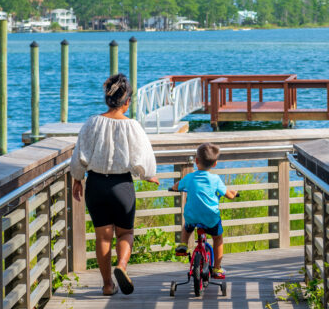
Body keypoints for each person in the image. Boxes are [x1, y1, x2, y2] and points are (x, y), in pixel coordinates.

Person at [70, 73, 158, 296]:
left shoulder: (92, 122)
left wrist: (77, 178)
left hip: (96, 184)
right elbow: (143, 157)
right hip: (122, 186)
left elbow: (80, 154)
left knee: (103, 236)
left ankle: (108, 284)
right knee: (125, 233)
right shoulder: (133, 126)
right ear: (127, 101)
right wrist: (147, 174)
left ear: (107, 99)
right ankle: (122, 266)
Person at [171, 142, 238, 279]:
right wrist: (234, 193)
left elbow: (177, 186)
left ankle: (183, 244)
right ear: (215, 164)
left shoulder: (189, 177)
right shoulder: (215, 179)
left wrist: (173, 188)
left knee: (187, 226)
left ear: (196, 161)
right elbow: (229, 195)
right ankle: (217, 269)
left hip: (192, 216)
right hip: (210, 218)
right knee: (218, 239)